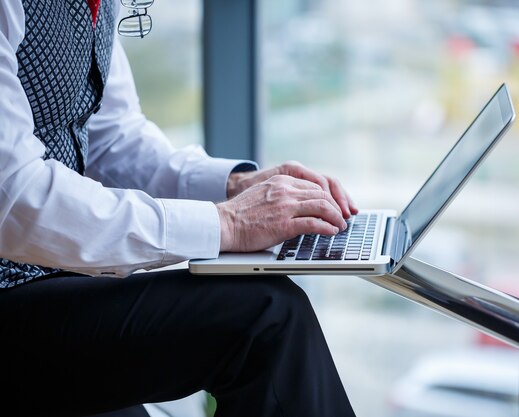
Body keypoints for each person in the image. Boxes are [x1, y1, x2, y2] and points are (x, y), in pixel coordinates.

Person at [0, 1, 358, 416]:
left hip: (48, 286)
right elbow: (15, 197)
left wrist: (234, 185)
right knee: (267, 316)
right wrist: (229, 223)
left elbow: (114, 141)